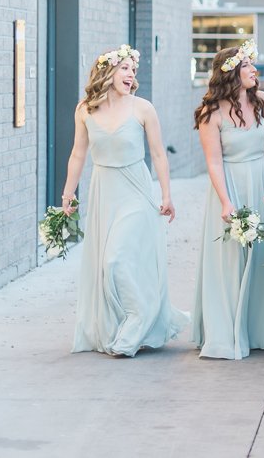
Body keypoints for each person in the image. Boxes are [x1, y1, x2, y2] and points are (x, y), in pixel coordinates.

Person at [64, 44, 188, 356]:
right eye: (125, 68)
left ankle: (138, 320)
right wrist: (68, 193)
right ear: (108, 71)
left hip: (136, 190)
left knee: (116, 260)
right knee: (107, 267)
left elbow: (158, 154)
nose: (131, 75)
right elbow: (78, 154)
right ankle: (120, 322)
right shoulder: (85, 110)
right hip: (104, 190)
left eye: (134, 70)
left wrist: (167, 195)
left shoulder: (143, 108)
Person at [191, 40, 264, 359]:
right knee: (230, 261)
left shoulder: (263, 102)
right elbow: (214, 161)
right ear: (230, 73)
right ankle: (226, 330)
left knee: (260, 257)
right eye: (247, 65)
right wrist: (226, 201)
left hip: (259, 182)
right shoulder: (210, 112)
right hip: (229, 186)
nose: (255, 70)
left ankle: (260, 330)